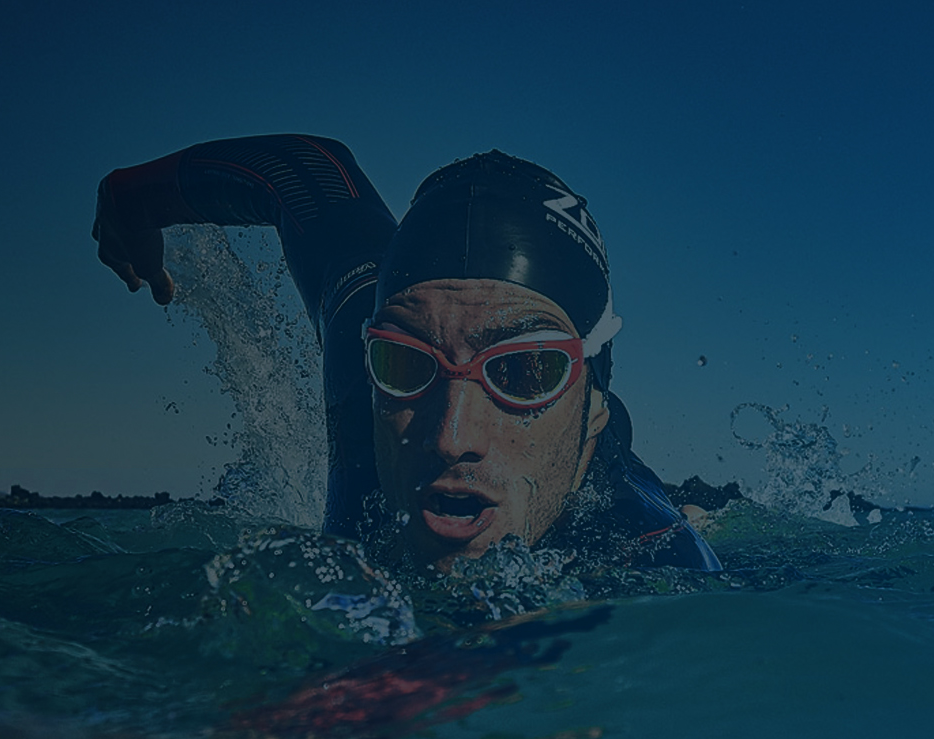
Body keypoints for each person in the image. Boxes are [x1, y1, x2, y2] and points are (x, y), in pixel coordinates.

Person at [93, 134, 719, 572]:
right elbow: (302, 170)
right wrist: (128, 198)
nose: (449, 437)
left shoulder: (649, 550)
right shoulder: (362, 337)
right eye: (409, 361)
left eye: (523, 371)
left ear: (593, 405)